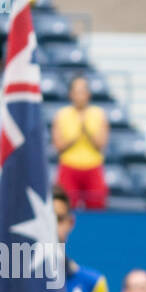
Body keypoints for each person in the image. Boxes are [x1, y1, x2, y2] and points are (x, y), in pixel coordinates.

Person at [51, 75, 109, 210]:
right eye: (77, 92)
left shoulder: (99, 114)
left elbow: (101, 144)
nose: (80, 95)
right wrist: (77, 134)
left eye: (83, 91)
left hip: (93, 166)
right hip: (68, 167)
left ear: (88, 94)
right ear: (71, 94)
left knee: (97, 208)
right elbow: (58, 146)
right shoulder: (61, 114)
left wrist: (86, 131)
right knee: (64, 209)